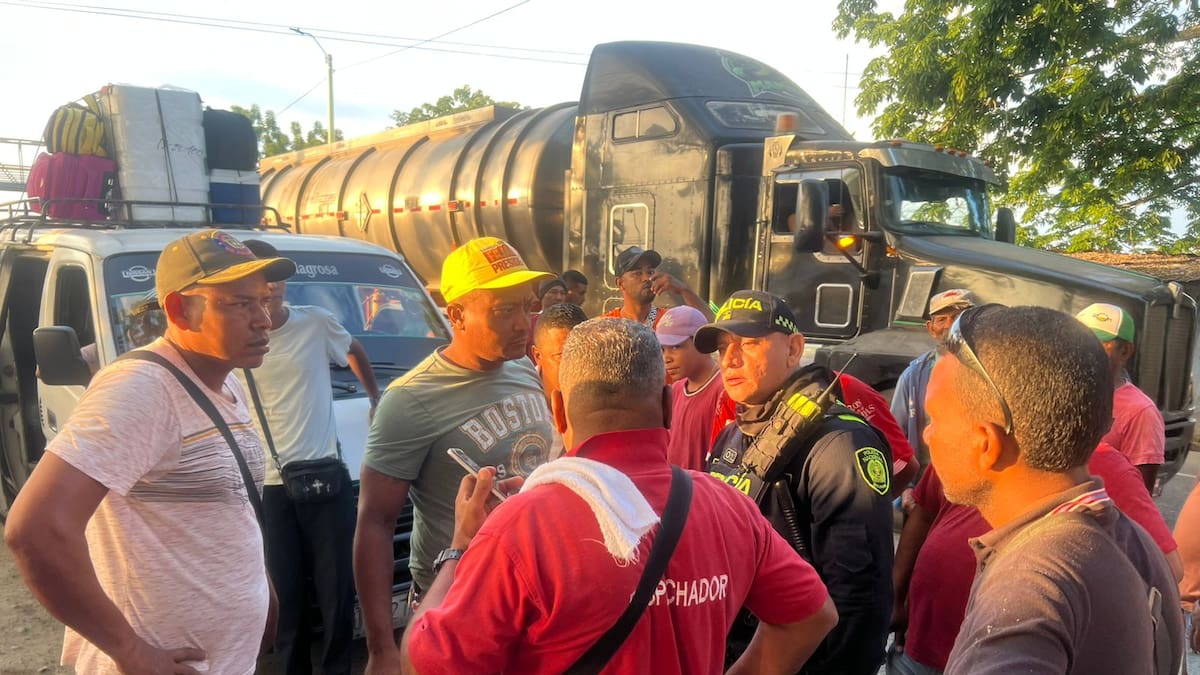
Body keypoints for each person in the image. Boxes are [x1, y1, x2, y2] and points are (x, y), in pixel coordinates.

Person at [401, 317, 839, 673]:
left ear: (558, 410)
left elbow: (423, 666)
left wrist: (459, 549)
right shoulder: (728, 506)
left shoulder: (520, 527)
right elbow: (813, 616)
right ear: (668, 405)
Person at [5, 229, 294, 674]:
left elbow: (229, 505)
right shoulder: (141, 389)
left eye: (264, 300)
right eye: (240, 304)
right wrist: (131, 652)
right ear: (179, 309)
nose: (264, 320)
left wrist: (259, 586)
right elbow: (35, 530)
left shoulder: (226, 382)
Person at [924, 304, 1182, 675]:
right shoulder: (1131, 538)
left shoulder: (1031, 586)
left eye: (935, 419)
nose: (926, 435)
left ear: (986, 445)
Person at [354, 236, 559, 673]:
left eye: (528, 306)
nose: (523, 324)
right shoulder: (410, 400)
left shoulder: (524, 367)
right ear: (457, 315)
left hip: (529, 595)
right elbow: (375, 522)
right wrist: (381, 648)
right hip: (455, 603)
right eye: (504, 311)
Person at [697, 290, 895, 675]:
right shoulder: (733, 434)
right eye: (722, 347)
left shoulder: (839, 443)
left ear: (794, 349)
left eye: (749, 343)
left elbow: (858, 598)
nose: (730, 359)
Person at [890, 441, 1182, 675]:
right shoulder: (964, 443)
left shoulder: (1106, 465)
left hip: (1010, 650)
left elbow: (1165, 567)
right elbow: (924, 511)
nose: (928, 433)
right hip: (918, 643)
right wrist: (897, 597)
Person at [239, 239, 380, 675]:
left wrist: (375, 399)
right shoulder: (234, 342)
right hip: (268, 485)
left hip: (325, 476)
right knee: (286, 596)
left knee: (337, 591)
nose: (272, 287)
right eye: (261, 279)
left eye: (277, 278)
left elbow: (354, 349)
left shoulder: (314, 323)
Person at [1075, 302, 1165, 493]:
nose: (1084, 349)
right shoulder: (1059, 392)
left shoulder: (1141, 412)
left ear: (1125, 351)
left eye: (1098, 343)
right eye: (1079, 339)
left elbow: (1139, 494)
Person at [891, 289, 977, 488]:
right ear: (931, 328)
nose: (950, 325)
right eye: (941, 319)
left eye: (958, 316)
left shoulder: (993, 369)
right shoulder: (913, 376)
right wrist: (905, 488)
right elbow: (895, 438)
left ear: (974, 321)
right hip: (926, 486)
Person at [655, 305, 723, 470]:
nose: (667, 358)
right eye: (663, 349)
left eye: (676, 347)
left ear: (701, 343)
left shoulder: (723, 390)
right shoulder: (676, 389)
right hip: (677, 483)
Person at [603, 246, 713, 327]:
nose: (647, 278)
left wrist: (684, 290)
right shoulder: (605, 326)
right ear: (620, 283)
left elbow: (709, 325)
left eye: (650, 272)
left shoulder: (669, 321)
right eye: (637, 273)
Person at [530, 300, 588, 403]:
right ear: (537, 356)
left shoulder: (602, 396)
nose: (573, 366)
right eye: (561, 356)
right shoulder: (519, 399)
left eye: (581, 354)